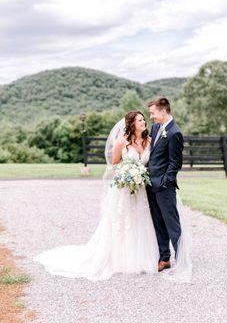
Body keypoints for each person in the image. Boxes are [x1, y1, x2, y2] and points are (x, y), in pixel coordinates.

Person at [33, 111, 159, 280]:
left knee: (140, 220)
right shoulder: (122, 141)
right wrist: (128, 173)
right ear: (131, 124)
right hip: (124, 188)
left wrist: (140, 173)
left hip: (140, 189)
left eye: (144, 119)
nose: (144, 122)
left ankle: (142, 257)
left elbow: (151, 163)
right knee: (122, 221)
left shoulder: (149, 140)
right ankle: (120, 259)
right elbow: (114, 164)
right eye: (139, 120)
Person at [146, 96, 192, 280]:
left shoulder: (174, 133)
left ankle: (181, 261)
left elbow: (175, 163)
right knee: (158, 223)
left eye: (153, 113)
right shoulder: (156, 127)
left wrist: (164, 182)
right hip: (150, 185)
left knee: (172, 225)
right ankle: (164, 258)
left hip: (164, 187)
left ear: (163, 111)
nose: (151, 117)